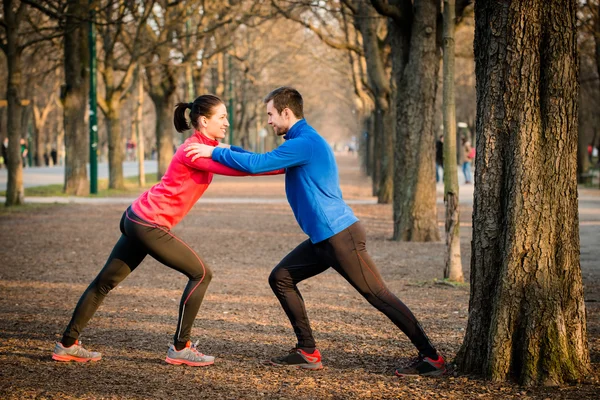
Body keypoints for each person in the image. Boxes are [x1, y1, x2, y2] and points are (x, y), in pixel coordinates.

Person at [184, 87, 446, 377]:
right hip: (324, 238)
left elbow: (258, 164)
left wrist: (215, 150)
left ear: (286, 112)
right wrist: (229, 150)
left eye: (271, 114)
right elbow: (262, 158)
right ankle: (307, 350)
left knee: (378, 295)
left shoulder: (305, 143)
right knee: (281, 278)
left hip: (340, 235)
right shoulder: (297, 142)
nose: (269, 121)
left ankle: (431, 357)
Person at [52, 94, 282, 366]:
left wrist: (277, 160)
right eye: (222, 117)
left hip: (137, 217)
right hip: (148, 223)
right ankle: (180, 347)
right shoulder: (194, 150)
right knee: (201, 273)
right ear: (204, 121)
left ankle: (67, 344)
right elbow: (243, 169)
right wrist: (286, 167)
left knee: (105, 282)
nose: (227, 122)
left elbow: (240, 155)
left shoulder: (207, 145)